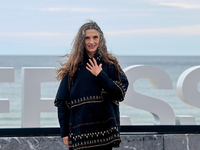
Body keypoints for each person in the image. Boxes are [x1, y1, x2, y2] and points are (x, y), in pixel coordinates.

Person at [54, 20, 129, 150]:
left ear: (100, 39)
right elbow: (62, 101)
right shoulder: (73, 68)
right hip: (80, 135)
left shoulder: (110, 64)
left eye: (95, 37)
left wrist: (101, 75)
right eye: (87, 38)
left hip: (104, 134)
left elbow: (120, 92)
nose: (91, 42)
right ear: (81, 41)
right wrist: (64, 132)